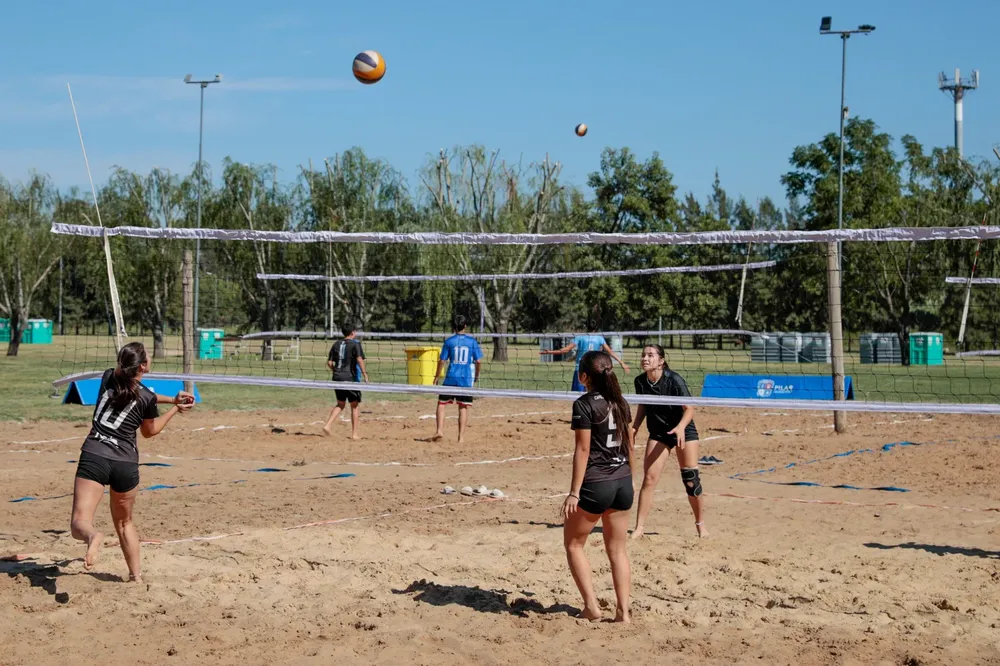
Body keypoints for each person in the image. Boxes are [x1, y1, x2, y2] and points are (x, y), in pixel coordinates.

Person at [71, 341, 194, 583]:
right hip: (125, 464)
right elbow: (150, 431)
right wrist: (176, 408)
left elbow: (139, 392)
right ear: (143, 367)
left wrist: (172, 400)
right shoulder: (146, 398)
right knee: (124, 522)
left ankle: (92, 536)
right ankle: (135, 576)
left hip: (95, 455)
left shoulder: (108, 376)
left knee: (79, 522)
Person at [562, 350, 634, 623]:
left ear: (583, 377)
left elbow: (582, 451)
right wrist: (631, 478)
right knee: (617, 550)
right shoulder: (620, 401)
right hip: (623, 482)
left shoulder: (583, 404)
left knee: (573, 545)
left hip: (597, 484)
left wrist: (574, 493)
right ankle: (623, 612)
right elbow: (630, 445)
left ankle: (591, 607)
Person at [630, 344, 705, 539]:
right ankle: (639, 528)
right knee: (649, 479)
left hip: (683, 430)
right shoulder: (640, 381)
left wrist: (680, 427)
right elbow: (643, 405)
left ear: (661, 361)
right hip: (659, 433)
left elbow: (689, 409)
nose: (645, 358)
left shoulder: (674, 380)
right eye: (643, 355)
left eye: (650, 355)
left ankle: (700, 524)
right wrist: (635, 426)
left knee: (691, 480)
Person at [428, 315, 483, 444]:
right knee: (463, 407)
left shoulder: (449, 341)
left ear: (453, 327)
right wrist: (476, 376)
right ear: (465, 326)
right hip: (465, 380)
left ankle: (439, 430)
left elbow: (442, 361)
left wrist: (436, 377)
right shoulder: (472, 342)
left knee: (441, 404)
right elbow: (478, 361)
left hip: (451, 378)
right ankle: (460, 438)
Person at [539, 319, 630, 391]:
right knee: (593, 394)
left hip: (581, 370)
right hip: (594, 370)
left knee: (577, 396)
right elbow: (610, 351)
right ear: (595, 328)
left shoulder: (580, 337)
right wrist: (621, 362)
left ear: (586, 327)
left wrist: (549, 352)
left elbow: (565, 350)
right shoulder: (599, 338)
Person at [323, 322, 369, 440]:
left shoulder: (336, 343)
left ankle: (327, 425)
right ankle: (354, 434)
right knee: (354, 405)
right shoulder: (355, 344)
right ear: (353, 332)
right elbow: (359, 359)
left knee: (341, 404)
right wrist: (365, 374)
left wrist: (336, 371)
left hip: (337, 377)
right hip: (350, 378)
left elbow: (329, 363)